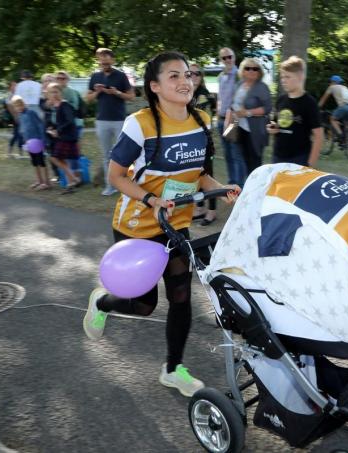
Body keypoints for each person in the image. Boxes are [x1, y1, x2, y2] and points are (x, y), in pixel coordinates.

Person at [82, 51, 240, 397]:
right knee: (144, 305)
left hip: (175, 224)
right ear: (154, 86)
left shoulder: (201, 120)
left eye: (188, 74)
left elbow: (200, 175)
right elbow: (116, 176)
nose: (185, 81)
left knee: (181, 294)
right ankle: (103, 302)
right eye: (174, 76)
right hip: (137, 226)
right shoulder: (140, 124)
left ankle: (172, 368)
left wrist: (224, 190)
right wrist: (151, 200)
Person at [86, 48, 135, 196]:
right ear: (99, 61)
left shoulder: (121, 76)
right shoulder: (95, 76)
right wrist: (98, 92)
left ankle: (126, 184)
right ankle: (110, 186)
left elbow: (131, 96)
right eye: (101, 59)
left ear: (112, 60)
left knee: (123, 154)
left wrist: (117, 93)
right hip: (102, 121)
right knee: (106, 154)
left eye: (107, 59)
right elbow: (88, 98)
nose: (104, 61)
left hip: (119, 120)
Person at [266, 55, 324, 167]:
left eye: (288, 77)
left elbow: (319, 136)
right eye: (282, 77)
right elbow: (274, 124)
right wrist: (272, 128)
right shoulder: (280, 100)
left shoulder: (309, 103)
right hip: (278, 157)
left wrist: (309, 165)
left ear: (301, 77)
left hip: (300, 159)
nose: (283, 81)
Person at [225, 57, 272, 177]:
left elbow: (267, 108)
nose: (251, 71)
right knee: (243, 160)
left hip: (255, 131)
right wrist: (229, 122)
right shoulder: (239, 84)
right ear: (243, 71)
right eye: (248, 68)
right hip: (239, 128)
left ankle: (257, 188)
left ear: (259, 72)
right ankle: (247, 187)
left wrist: (247, 112)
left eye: (255, 69)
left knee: (255, 163)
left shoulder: (262, 87)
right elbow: (233, 104)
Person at [190, 63, 218, 226]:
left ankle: (212, 211)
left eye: (197, 74)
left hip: (204, 143)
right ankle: (200, 208)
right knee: (196, 177)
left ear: (201, 77)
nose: (193, 76)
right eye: (190, 73)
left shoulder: (203, 95)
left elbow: (202, 120)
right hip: (191, 143)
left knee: (208, 177)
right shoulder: (187, 93)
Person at [216, 47, 247, 186]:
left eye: (230, 56)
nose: (228, 60)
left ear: (234, 57)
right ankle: (231, 183)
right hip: (221, 120)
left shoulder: (240, 76)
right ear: (221, 60)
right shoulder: (221, 77)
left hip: (233, 120)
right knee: (227, 155)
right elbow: (220, 97)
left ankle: (240, 186)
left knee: (236, 154)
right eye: (224, 58)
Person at [44, 83, 82, 194]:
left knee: (54, 158)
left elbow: (70, 121)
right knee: (61, 160)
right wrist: (51, 128)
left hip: (68, 136)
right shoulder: (55, 107)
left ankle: (73, 178)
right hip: (62, 136)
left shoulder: (65, 105)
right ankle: (71, 185)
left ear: (61, 93)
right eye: (52, 92)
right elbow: (58, 121)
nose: (54, 94)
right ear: (48, 94)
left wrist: (57, 130)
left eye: (56, 92)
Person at [11, 96, 50, 191]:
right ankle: (39, 181)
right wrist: (24, 142)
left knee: (41, 162)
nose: (19, 108)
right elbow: (23, 129)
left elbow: (40, 125)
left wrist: (43, 140)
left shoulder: (31, 113)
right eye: (16, 106)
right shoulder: (20, 116)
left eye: (20, 105)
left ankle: (46, 183)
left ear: (23, 104)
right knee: (34, 162)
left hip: (37, 141)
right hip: (29, 143)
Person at [318, 75, 348, 142]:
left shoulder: (332, 87)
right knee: (346, 123)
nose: (329, 83)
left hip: (344, 106)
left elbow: (323, 99)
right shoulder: (344, 87)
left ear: (333, 82)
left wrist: (317, 108)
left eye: (330, 81)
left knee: (332, 119)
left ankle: (341, 136)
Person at [55, 70, 85, 142]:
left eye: (63, 78)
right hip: (65, 125)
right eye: (58, 78)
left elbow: (74, 108)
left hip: (74, 125)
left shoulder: (71, 91)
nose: (60, 80)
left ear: (68, 80)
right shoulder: (56, 90)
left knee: (74, 150)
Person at [4, 80, 25, 158]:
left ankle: (19, 152)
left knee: (20, 134)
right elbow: (10, 108)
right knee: (17, 135)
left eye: (16, 85)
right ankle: (10, 152)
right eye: (14, 85)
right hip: (15, 118)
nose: (16, 87)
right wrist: (16, 118)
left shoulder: (17, 94)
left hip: (20, 116)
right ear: (10, 87)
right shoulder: (9, 95)